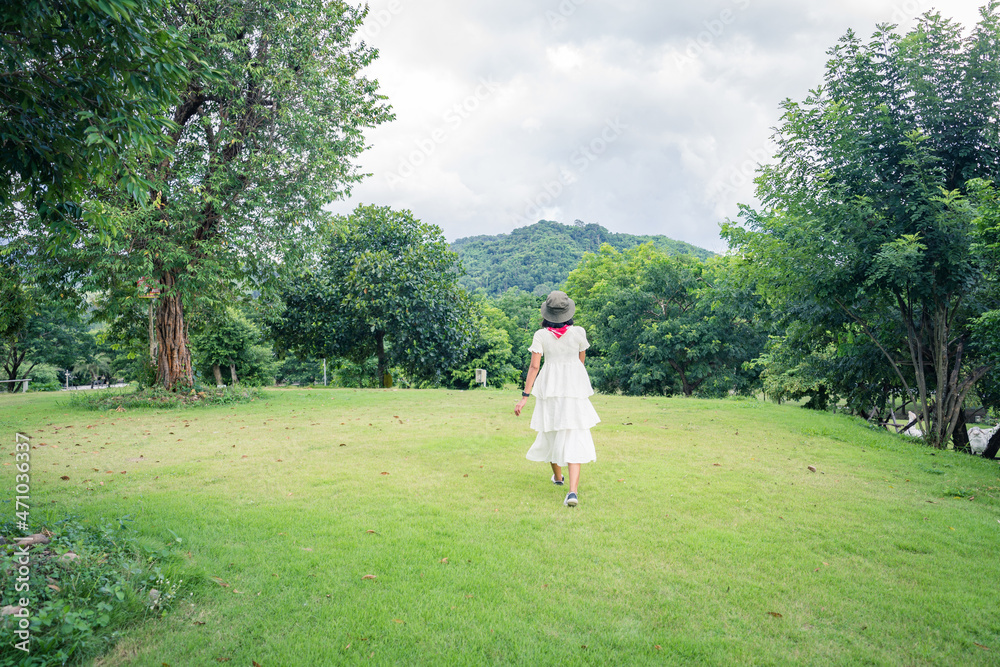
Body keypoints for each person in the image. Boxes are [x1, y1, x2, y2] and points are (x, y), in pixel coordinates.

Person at [514, 290, 600, 507]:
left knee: (551, 428)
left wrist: (524, 396)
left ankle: (559, 478)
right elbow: (581, 360)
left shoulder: (541, 335)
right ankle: (572, 492)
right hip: (574, 388)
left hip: (550, 386)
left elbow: (535, 366)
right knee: (573, 433)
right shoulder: (579, 332)